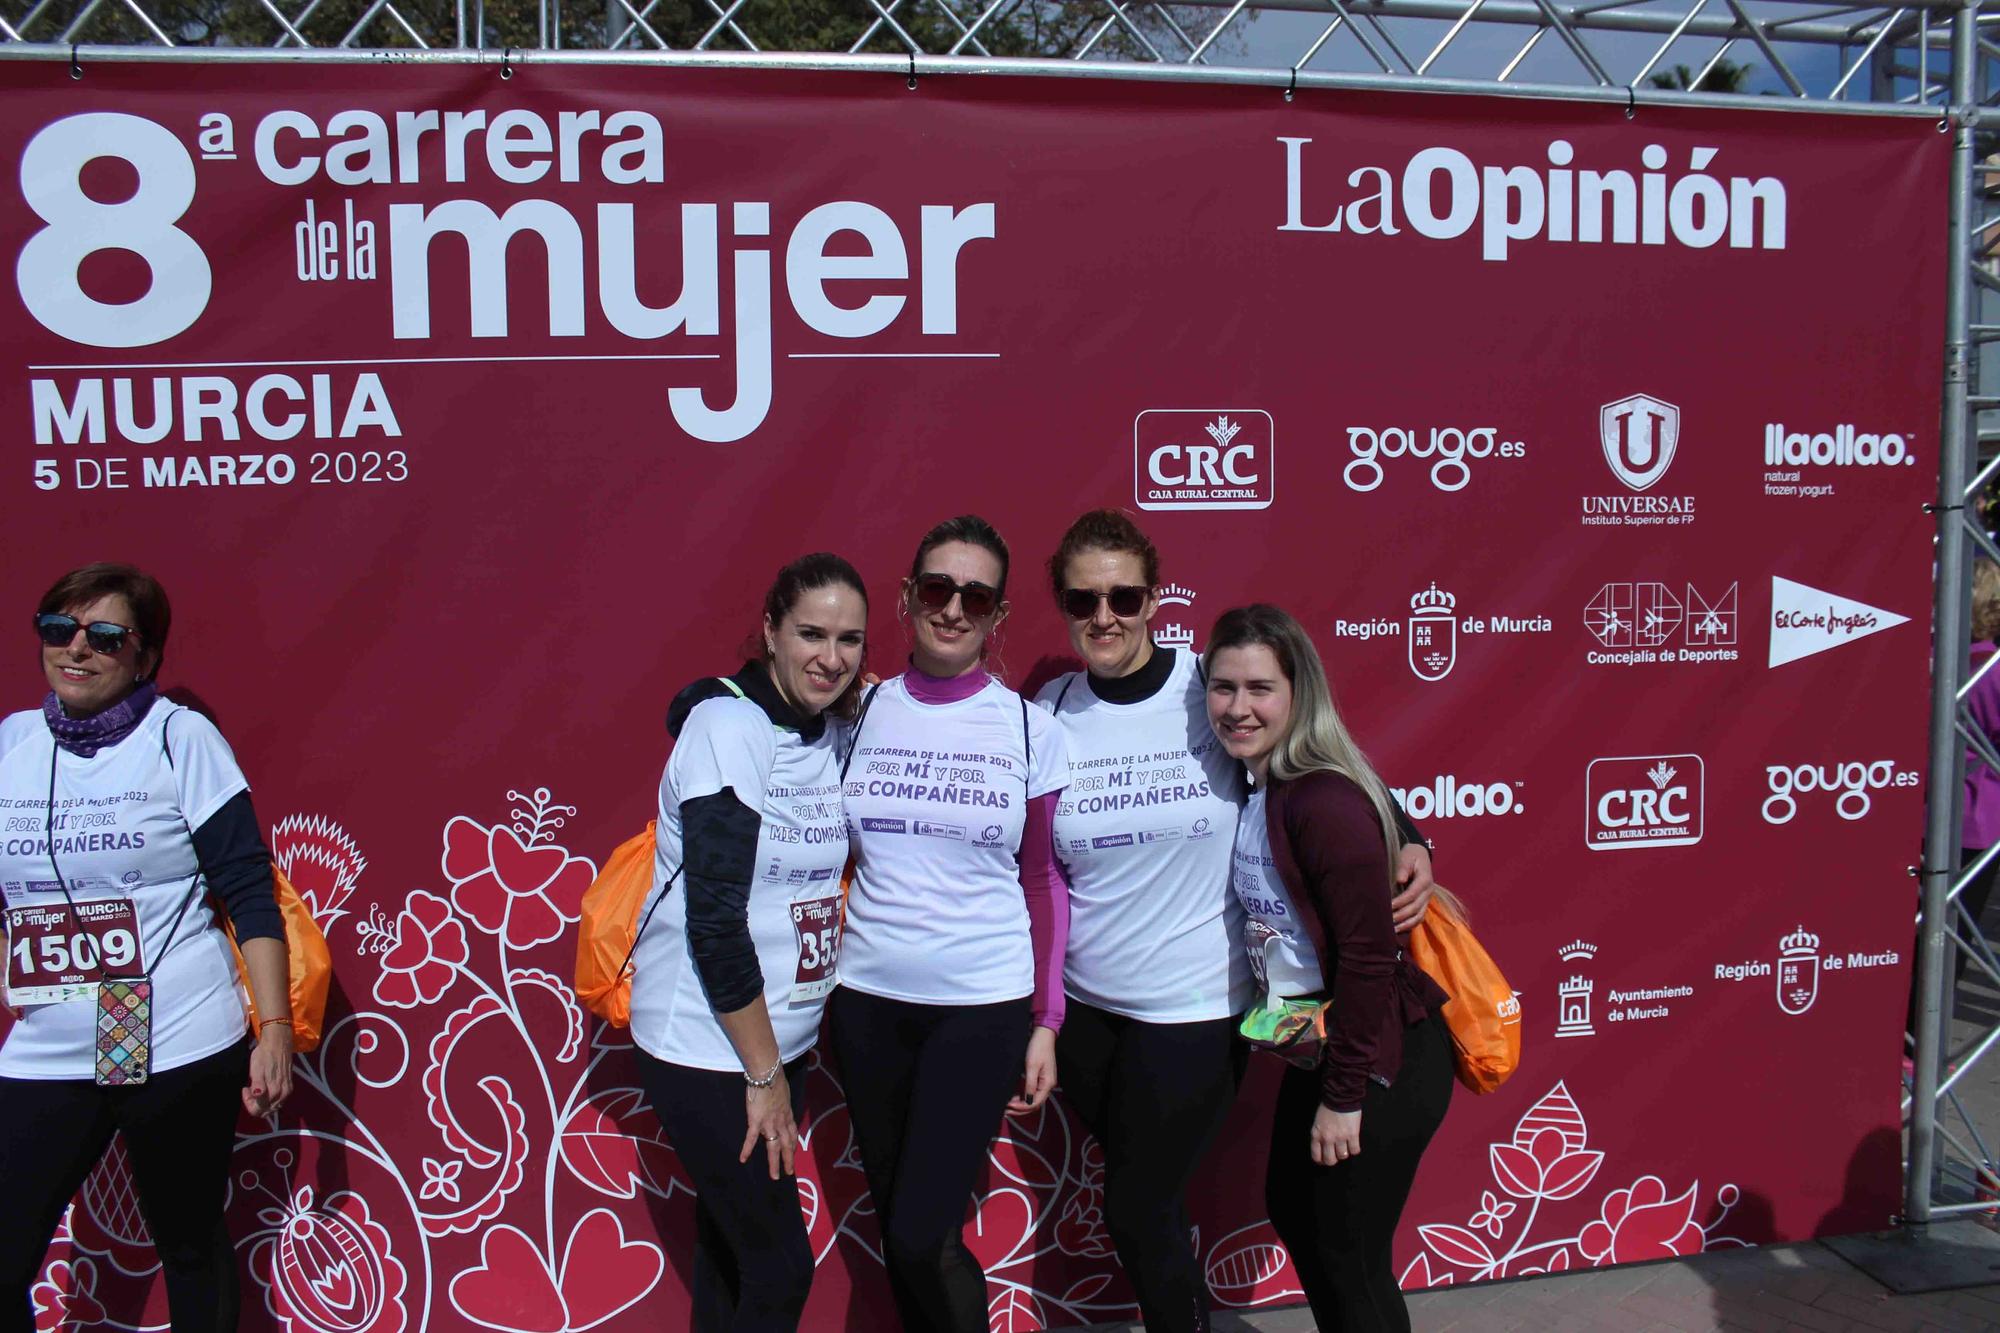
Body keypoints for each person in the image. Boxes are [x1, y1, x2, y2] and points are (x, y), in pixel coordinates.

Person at [1034, 511, 1435, 1333]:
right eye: (1083, 599)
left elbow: (1328, 764)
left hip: (1191, 1009)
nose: (1103, 615)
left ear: (1153, 597)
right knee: (1157, 1203)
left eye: (1124, 594)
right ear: (1063, 605)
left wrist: (1413, 835)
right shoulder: (1048, 708)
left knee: (1140, 1206)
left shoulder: (1208, 683)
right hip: (1089, 1013)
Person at [0, 563, 293, 1333]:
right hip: (52, 1028)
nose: (76, 650)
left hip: (163, 1016)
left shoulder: (178, 737)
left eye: (104, 636)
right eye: (58, 629)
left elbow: (248, 889)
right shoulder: (13, 742)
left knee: (187, 1239)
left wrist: (275, 1028)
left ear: (145, 657)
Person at [829, 515, 1070, 1332]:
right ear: (907, 596)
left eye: (977, 595)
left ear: (999, 614)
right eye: (937, 587)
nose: (954, 608)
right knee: (902, 1233)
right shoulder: (857, 712)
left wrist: (1046, 1019)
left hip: (981, 1007)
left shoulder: (1032, 727)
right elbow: (764, 703)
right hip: (865, 1002)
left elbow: (1042, 878)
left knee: (920, 1229)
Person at [630, 552, 869, 1333]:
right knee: (779, 1266)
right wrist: (763, 1073)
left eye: (850, 639)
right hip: (714, 1050)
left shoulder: (828, 727)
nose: (830, 657)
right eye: (810, 633)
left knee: (730, 1252)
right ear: (769, 630)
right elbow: (715, 918)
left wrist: (778, 1063)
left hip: (781, 1046)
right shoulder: (729, 726)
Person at [1204, 604, 1450, 1333]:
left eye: (1259, 688)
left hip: (1379, 1057)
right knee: (1298, 1208)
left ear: (1296, 693)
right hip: (1323, 1041)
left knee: (1350, 1259)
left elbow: (1370, 957)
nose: (1238, 707)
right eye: (1222, 687)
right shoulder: (1266, 779)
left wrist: (1346, 1096)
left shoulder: (1318, 797)